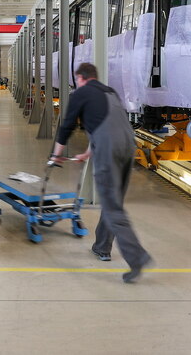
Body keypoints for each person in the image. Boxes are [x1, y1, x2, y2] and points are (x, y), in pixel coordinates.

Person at [51, 62, 152, 283]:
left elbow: (66, 126)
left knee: (111, 204)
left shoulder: (81, 93)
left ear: (80, 78)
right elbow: (105, 123)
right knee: (113, 202)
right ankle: (102, 247)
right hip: (127, 146)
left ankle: (137, 256)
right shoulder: (110, 92)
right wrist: (88, 153)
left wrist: (56, 155)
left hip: (108, 148)